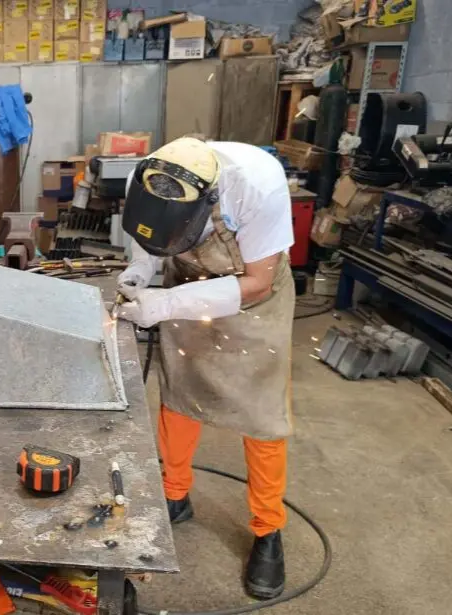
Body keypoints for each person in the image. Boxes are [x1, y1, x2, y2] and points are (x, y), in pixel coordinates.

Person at [116, 137, 294, 600]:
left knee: (261, 414)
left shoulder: (260, 187)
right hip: (188, 277)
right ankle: (174, 494)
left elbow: (256, 282)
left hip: (254, 298)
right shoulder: (153, 174)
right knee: (180, 392)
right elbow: (150, 234)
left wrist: (166, 303)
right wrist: (142, 269)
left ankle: (268, 529)